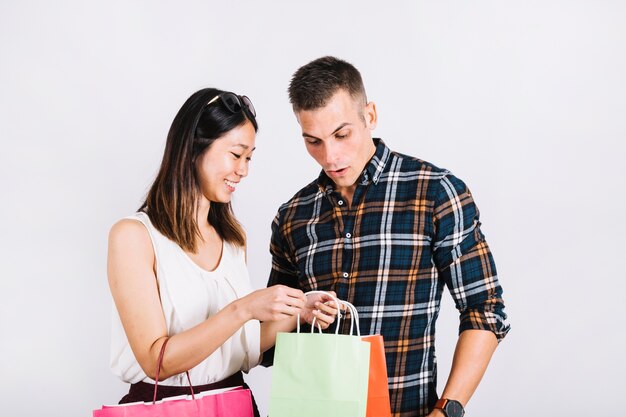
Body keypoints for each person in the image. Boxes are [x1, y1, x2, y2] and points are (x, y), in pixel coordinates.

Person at [263, 57, 510, 417]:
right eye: (313, 141)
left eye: (341, 134)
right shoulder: (292, 216)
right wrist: (302, 313)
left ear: (371, 116)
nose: (330, 157)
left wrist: (447, 411)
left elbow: (485, 310)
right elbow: (272, 344)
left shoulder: (435, 193)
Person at [107, 88, 337, 417]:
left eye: (249, 157)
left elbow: (240, 352)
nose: (243, 170)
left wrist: (298, 313)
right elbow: (157, 362)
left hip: (234, 404)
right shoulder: (134, 236)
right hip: (164, 409)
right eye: (236, 154)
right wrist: (243, 309)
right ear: (193, 149)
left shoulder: (232, 239)